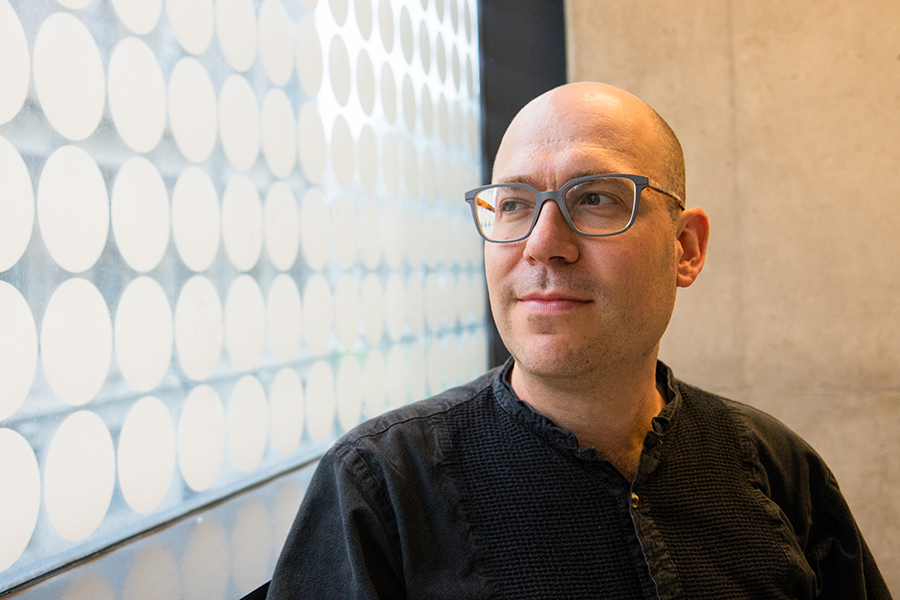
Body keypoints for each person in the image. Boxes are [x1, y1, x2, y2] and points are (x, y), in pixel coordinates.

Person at [267, 82, 892, 599]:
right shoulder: (382, 488)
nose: (542, 242)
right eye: (513, 204)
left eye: (594, 199)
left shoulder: (778, 469)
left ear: (685, 248)